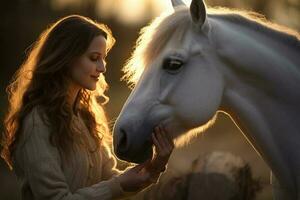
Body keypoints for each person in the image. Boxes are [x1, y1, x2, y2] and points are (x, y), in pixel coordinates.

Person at [0, 15, 174, 200]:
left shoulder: (86, 116)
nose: (102, 67)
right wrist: (118, 185)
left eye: (104, 59)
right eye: (94, 58)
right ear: (66, 58)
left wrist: (155, 165)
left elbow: (111, 179)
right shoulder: (37, 122)